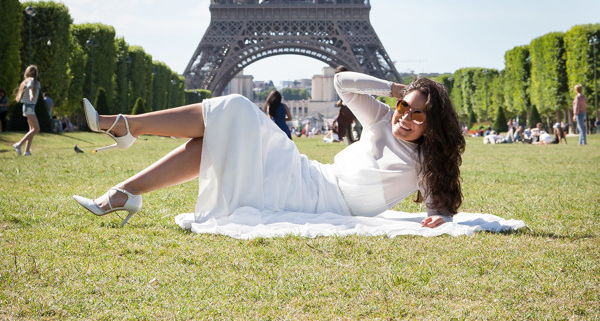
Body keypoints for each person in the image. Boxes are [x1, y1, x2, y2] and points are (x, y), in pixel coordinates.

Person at [72, 71, 466, 230]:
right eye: (403, 107)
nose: (406, 116)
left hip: (320, 201)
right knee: (230, 116)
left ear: (433, 125)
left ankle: (126, 142)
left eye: (418, 114)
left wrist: (441, 219)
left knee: (231, 117)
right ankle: (128, 177)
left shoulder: (425, 163)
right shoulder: (382, 116)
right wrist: (396, 89)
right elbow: (343, 82)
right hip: (309, 175)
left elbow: (438, 208)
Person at [13, 65, 40, 156]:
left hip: (28, 106)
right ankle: (19, 144)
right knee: (36, 129)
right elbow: (30, 88)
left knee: (31, 129)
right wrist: (31, 95)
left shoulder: (25, 81)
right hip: (30, 106)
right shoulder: (31, 81)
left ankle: (27, 151)